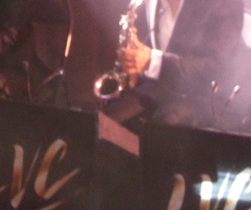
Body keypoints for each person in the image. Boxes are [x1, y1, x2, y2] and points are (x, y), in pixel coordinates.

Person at [104, 0, 243, 128]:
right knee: (108, 120)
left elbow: (217, 67)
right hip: (162, 87)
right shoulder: (150, 3)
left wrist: (153, 61)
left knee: (165, 122)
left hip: (207, 95)